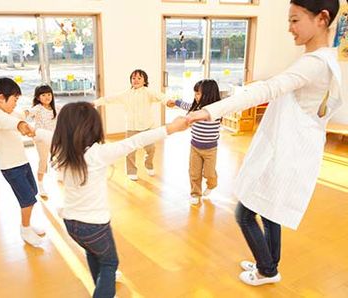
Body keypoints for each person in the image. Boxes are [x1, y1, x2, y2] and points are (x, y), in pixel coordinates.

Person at [187, 0, 342, 286]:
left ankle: (267, 270)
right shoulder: (330, 60)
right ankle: (268, 263)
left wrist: (209, 110)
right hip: (293, 149)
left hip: (285, 150)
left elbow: (267, 88)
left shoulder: (313, 64)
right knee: (270, 210)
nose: (289, 28)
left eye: (295, 20)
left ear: (322, 18)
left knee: (244, 213)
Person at [33, 102, 188, 298]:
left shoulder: (63, 147)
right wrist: (172, 128)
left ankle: (102, 288)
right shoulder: (98, 153)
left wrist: (28, 127)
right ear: (93, 127)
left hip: (71, 224)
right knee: (110, 263)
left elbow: (43, 134)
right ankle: (104, 291)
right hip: (95, 226)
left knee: (92, 253)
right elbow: (136, 141)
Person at [0, 77, 45, 247]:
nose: (15, 103)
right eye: (14, 99)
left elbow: (21, 115)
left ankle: (27, 224)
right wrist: (21, 125)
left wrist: (33, 112)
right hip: (11, 168)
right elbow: (10, 122)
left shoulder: (9, 112)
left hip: (22, 162)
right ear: (1, 98)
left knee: (32, 192)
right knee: (27, 200)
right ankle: (25, 229)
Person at [93, 69, 171, 181]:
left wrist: (168, 101)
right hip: (131, 128)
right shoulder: (126, 94)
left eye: (139, 78)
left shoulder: (148, 92)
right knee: (129, 151)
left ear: (144, 81)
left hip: (147, 127)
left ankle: (148, 164)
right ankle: (131, 171)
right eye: (133, 78)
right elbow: (110, 99)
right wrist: (95, 103)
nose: (136, 80)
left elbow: (161, 96)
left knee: (151, 149)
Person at [167, 79, 222, 205]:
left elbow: (230, 105)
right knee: (194, 172)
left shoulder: (217, 110)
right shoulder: (195, 107)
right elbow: (185, 105)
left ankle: (212, 184)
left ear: (209, 94)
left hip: (210, 150)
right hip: (195, 147)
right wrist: (174, 101)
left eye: (198, 93)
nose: (195, 96)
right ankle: (195, 193)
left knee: (209, 173)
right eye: (195, 93)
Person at [25, 84, 58, 197]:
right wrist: (22, 114)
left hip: (52, 137)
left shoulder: (55, 108)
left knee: (61, 155)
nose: (47, 97)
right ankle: (40, 184)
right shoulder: (38, 108)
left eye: (49, 94)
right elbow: (29, 111)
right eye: (43, 95)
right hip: (40, 139)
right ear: (38, 98)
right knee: (43, 160)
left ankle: (60, 173)